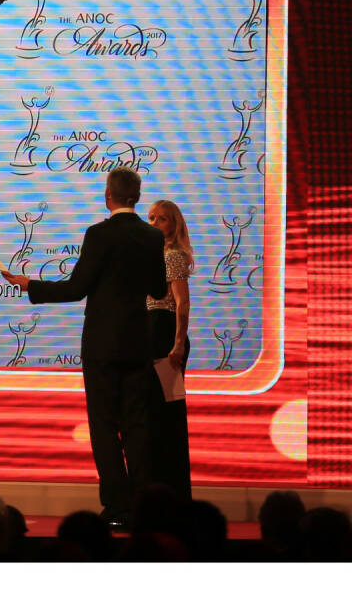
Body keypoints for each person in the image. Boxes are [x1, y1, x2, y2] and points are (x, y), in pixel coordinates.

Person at [4, 167, 167, 528]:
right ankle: (144, 509)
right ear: (136, 197)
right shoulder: (153, 237)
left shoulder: (98, 234)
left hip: (103, 346)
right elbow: (158, 289)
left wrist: (30, 285)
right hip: (138, 345)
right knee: (137, 427)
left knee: (105, 427)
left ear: (108, 195)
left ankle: (117, 508)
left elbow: (77, 289)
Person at [146, 199, 193, 501]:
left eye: (161, 219)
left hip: (166, 335)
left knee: (169, 415)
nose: (154, 223)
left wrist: (177, 344)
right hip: (150, 333)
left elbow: (182, 302)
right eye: (150, 218)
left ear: (174, 225)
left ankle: (174, 493)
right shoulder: (151, 255)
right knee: (152, 416)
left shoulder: (173, 255)